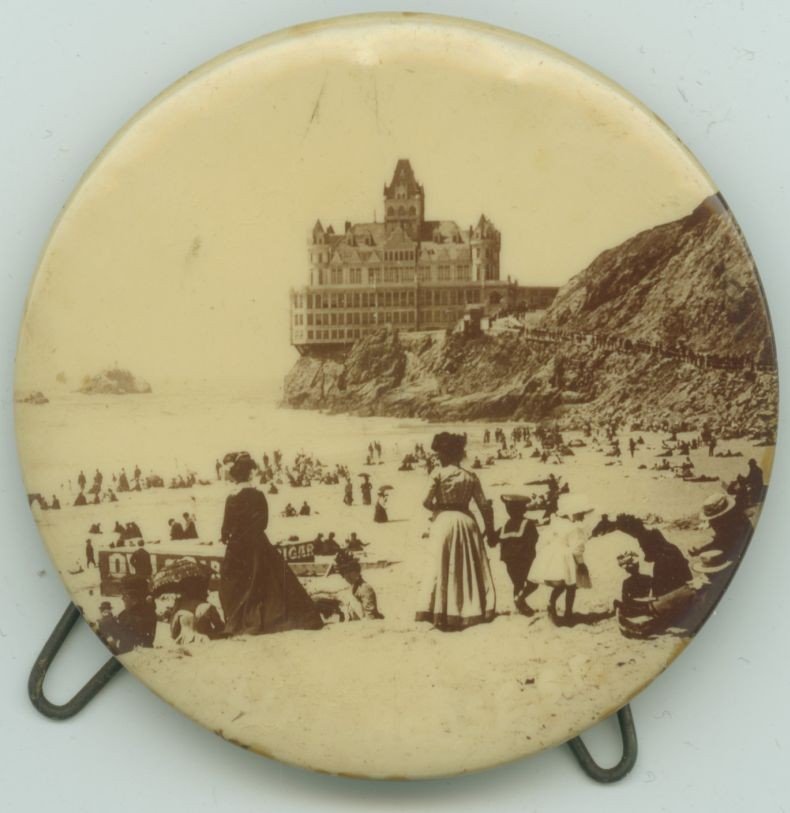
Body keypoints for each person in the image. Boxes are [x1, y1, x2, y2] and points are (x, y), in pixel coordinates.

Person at [218, 451, 323, 635]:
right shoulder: (259, 495)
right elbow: (264, 522)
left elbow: (226, 528)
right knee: (271, 581)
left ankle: (238, 620)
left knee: (233, 582)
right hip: (258, 543)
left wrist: (230, 536)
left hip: (238, 546)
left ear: (234, 475)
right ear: (249, 473)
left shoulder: (232, 497)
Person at [415, 432, 496, 631]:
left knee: (441, 565)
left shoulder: (438, 474)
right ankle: (471, 608)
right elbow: (484, 506)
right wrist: (491, 530)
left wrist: (438, 508)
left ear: (445, 454)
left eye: (438, 453)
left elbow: (426, 502)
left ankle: (442, 611)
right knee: (469, 565)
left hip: (444, 521)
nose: (436, 457)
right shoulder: (470, 476)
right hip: (468, 521)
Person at [526, 493, 593, 624]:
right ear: (572, 514)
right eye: (580, 513)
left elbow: (544, 539)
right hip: (566, 559)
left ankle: (551, 603)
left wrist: (543, 555)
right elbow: (577, 548)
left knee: (561, 584)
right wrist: (581, 564)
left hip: (552, 556)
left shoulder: (556, 523)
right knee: (571, 587)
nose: (583, 516)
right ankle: (568, 612)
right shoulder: (575, 528)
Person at [151, 560, 224, 644]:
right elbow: (220, 628)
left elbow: (173, 633)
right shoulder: (208, 606)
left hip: (185, 641)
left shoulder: (180, 608)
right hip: (206, 640)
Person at [490, 494, 539, 605]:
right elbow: (534, 540)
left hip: (509, 561)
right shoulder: (528, 524)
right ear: (523, 509)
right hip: (524, 560)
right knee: (533, 583)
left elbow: (492, 542)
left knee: (518, 583)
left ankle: (520, 603)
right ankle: (520, 600)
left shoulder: (505, 526)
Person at [113, 575, 157, 653]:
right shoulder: (148, 612)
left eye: (125, 595)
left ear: (135, 599)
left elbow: (126, 646)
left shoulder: (131, 618)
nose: (122, 598)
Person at [334, 551, 383, 620]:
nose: (347, 576)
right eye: (345, 573)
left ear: (357, 572)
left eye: (350, 572)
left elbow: (370, 616)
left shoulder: (365, 588)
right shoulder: (353, 587)